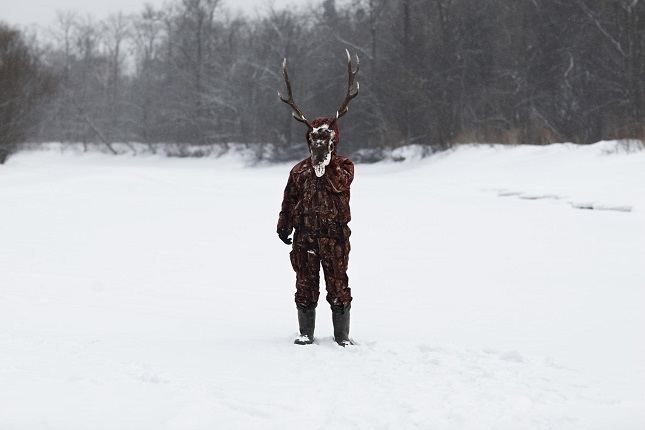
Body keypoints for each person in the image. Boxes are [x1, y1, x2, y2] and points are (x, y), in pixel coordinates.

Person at [277, 118, 354, 346]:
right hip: (305, 238)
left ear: (333, 140)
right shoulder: (299, 170)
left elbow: (339, 184)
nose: (318, 144)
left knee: (338, 284)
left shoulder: (344, 166)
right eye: (315, 140)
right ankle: (305, 332)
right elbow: (289, 200)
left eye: (324, 139)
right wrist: (284, 224)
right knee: (305, 284)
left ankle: (342, 336)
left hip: (335, 237)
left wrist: (325, 161)